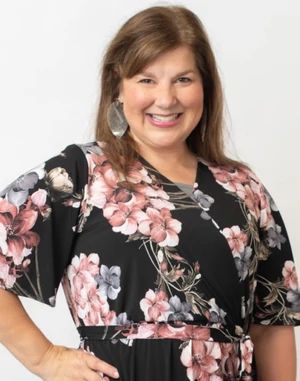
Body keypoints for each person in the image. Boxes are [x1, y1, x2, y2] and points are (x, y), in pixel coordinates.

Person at [0, 5, 299, 381]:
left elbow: (272, 326)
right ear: (118, 87)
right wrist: (45, 358)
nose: (166, 98)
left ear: (205, 86)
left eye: (183, 79)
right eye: (146, 80)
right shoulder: (82, 173)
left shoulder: (243, 189)